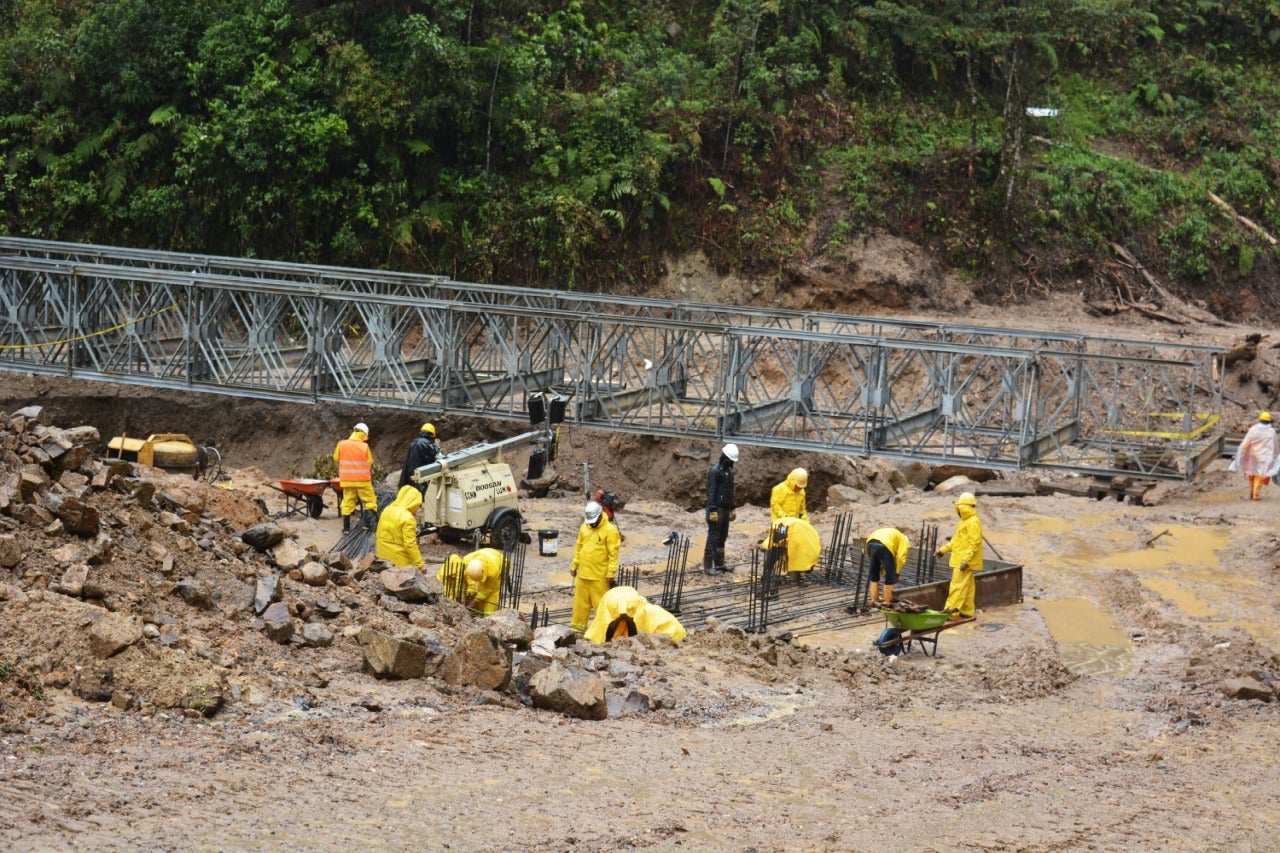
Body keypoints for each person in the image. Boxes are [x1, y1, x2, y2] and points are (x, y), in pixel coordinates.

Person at [570, 500, 620, 633]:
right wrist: (575, 564)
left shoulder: (610, 530)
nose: (591, 523)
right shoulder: (584, 527)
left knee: (601, 606)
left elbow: (613, 554)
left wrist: (611, 572)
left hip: (599, 577)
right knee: (580, 606)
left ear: (600, 515)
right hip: (583, 575)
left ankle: (602, 632)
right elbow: (579, 547)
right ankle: (577, 630)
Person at [936, 492, 983, 619]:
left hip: (963, 561)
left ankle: (950, 612)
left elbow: (975, 542)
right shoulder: (964, 521)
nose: (957, 510)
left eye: (958, 507)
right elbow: (956, 540)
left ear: (964, 507)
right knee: (968, 587)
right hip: (961, 559)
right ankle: (967, 610)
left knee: (957, 586)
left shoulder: (973, 522)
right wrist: (943, 550)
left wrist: (966, 559)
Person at [584, 585, 686, 644]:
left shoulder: (642, 615)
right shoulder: (642, 609)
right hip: (619, 601)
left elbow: (602, 623)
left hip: (672, 635)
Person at [703, 443, 738, 576]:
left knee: (722, 536)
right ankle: (708, 567)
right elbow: (711, 492)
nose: (731, 462)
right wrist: (712, 510)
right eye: (730, 460)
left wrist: (732, 506)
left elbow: (730, 491)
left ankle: (719, 563)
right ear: (725, 457)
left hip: (725, 508)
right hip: (716, 508)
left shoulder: (729, 472)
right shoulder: (715, 471)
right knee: (713, 536)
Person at [334, 422, 377, 532]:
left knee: (347, 502)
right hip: (363, 480)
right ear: (364, 434)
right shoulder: (364, 446)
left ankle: (346, 528)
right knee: (370, 501)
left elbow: (336, 458)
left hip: (347, 480)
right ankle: (368, 525)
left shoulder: (342, 444)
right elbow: (370, 462)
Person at [437, 547, 505, 614]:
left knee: (490, 599)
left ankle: (489, 617)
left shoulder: (493, 571)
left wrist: (475, 600)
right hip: (486, 557)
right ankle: (474, 613)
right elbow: (461, 580)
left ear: (483, 572)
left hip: (500, 567)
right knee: (476, 593)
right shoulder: (466, 562)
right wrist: (462, 596)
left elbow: (488, 588)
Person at [1230, 411, 1278, 500]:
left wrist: (1242, 454)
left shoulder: (1253, 429)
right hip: (1263, 457)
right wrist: (1275, 459)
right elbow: (1274, 446)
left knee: (1251, 474)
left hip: (1252, 456)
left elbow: (1245, 443)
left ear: (1260, 420)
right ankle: (1255, 495)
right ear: (1269, 421)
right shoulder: (1271, 432)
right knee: (1259, 476)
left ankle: (1251, 493)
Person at [765, 516, 821, 589]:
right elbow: (796, 562)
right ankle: (793, 582)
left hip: (782, 530)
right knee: (794, 560)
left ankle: (766, 577)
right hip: (786, 533)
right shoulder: (807, 549)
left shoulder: (808, 542)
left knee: (785, 557)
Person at [375, 485, 423, 569]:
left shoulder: (387, 510)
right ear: (413, 502)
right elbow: (410, 545)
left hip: (382, 555)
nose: (418, 508)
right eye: (418, 505)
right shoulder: (407, 518)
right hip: (399, 560)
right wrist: (420, 564)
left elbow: (383, 529)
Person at [865, 527, 910, 609]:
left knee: (874, 573)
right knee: (890, 576)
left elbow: (882, 560)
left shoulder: (892, 533)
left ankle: (874, 599)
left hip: (870, 544)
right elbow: (900, 557)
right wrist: (896, 572)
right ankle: (887, 601)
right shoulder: (903, 539)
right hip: (884, 545)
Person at [398, 422, 440, 493]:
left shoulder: (414, 442)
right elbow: (436, 455)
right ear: (431, 435)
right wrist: (437, 447)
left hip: (410, 474)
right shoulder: (425, 443)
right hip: (419, 476)